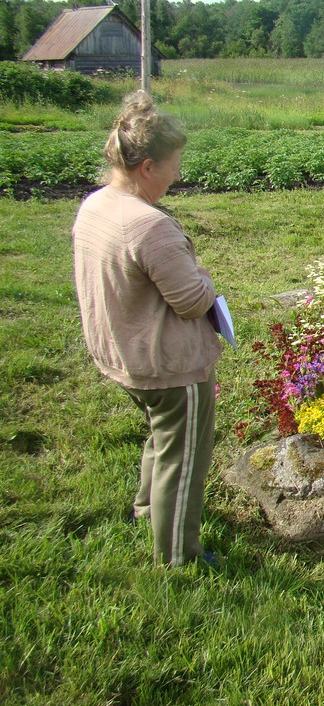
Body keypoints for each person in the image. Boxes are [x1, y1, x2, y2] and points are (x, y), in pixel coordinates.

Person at [72, 90, 222, 568]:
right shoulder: (149, 225)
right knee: (184, 459)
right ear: (147, 167)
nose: (178, 174)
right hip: (170, 365)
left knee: (162, 436)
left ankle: (145, 508)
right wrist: (207, 278)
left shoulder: (97, 204)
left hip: (122, 352)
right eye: (174, 164)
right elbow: (191, 299)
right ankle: (179, 557)